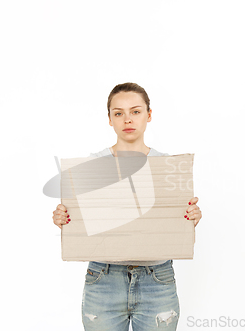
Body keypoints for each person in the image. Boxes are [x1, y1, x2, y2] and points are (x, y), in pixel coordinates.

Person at [52, 82, 202, 331]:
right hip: (104, 278)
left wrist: (191, 216)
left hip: (157, 279)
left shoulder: (169, 168)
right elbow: (81, 220)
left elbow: (177, 218)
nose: (127, 119)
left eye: (135, 111)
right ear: (110, 119)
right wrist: (64, 218)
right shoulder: (92, 166)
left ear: (149, 115)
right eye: (118, 113)